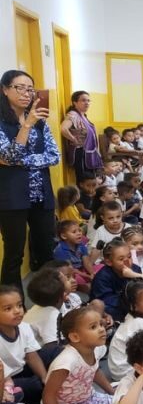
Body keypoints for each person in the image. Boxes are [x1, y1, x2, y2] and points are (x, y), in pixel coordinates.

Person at [0, 70, 60, 292]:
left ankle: (51, 303)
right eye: (19, 87)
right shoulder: (3, 123)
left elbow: (54, 156)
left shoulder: (41, 122)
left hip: (41, 194)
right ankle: (11, 307)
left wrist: (20, 160)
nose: (26, 93)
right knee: (14, 254)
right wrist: (26, 125)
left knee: (46, 250)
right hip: (11, 197)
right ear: (5, 90)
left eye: (30, 88)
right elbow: (9, 157)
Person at [42, 307, 114, 404]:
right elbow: (48, 396)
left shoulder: (95, 349)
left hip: (89, 397)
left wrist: (112, 392)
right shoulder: (66, 361)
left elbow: (94, 371)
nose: (102, 329)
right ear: (75, 337)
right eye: (93, 327)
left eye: (101, 324)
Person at [59, 90, 102, 179]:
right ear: (75, 102)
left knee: (90, 180)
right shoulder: (73, 114)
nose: (87, 103)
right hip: (81, 153)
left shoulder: (83, 116)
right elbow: (63, 129)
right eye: (83, 100)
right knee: (84, 181)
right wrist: (74, 139)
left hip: (89, 153)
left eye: (88, 100)